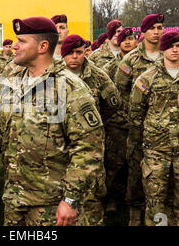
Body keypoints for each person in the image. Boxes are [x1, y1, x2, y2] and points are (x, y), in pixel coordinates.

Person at [0, 16, 105, 226]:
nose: (15, 46)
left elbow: (88, 149)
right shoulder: (12, 84)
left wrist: (71, 199)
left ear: (43, 46)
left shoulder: (70, 88)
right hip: (14, 202)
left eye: (22, 41)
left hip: (51, 206)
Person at [129, 31, 179, 226]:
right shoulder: (147, 78)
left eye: (178, 45)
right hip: (157, 150)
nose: (175, 49)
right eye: (170, 45)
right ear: (163, 48)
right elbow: (136, 113)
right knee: (156, 202)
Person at [62, 34, 120, 225]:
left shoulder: (98, 76)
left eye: (79, 52)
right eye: (70, 53)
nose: (75, 57)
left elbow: (113, 103)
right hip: (61, 145)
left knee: (91, 197)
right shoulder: (54, 76)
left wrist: (95, 123)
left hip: (90, 146)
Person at [114, 13, 164, 225]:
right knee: (135, 169)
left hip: (163, 128)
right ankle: (135, 213)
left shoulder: (170, 54)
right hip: (137, 127)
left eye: (160, 27)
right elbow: (119, 90)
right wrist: (131, 116)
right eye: (152, 28)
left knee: (161, 174)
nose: (156, 32)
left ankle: (159, 214)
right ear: (144, 32)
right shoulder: (131, 59)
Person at [101, 27, 138, 213]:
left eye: (131, 39)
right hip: (117, 123)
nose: (128, 42)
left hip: (140, 123)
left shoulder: (143, 65)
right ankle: (112, 200)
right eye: (125, 39)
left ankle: (134, 201)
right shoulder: (111, 67)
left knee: (136, 164)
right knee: (114, 163)